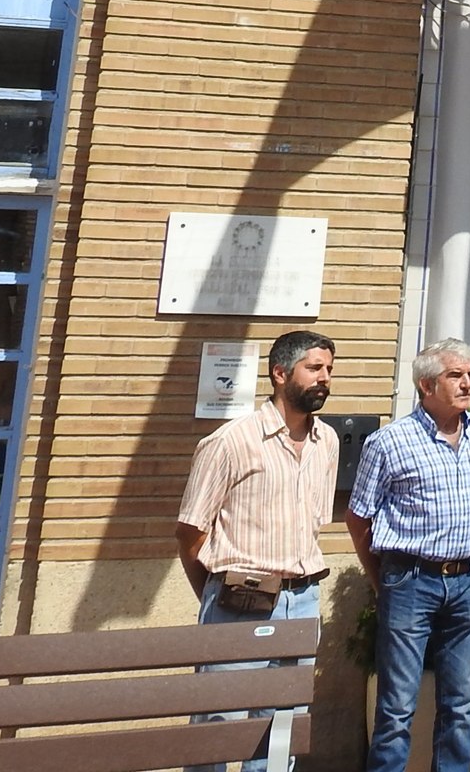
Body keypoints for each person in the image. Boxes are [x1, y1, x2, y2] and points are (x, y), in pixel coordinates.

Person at [176, 329, 337, 772]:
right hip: (239, 599)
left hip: (303, 600)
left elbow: (313, 526)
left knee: (282, 725)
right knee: (219, 722)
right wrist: (213, 591)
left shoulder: (329, 442)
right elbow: (190, 530)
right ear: (280, 373)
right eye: (314, 368)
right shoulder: (230, 441)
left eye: (328, 370)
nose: (324, 378)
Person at [347, 339, 470, 772]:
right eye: (456, 375)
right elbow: (359, 518)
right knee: (396, 706)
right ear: (426, 385)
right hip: (411, 580)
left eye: (469, 374)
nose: (467, 383)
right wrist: (383, 580)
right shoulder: (389, 442)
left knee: (461, 702)